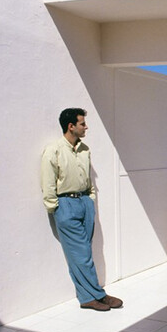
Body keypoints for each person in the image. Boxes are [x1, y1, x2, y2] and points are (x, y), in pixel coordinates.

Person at [40, 108, 123, 311]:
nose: (86, 127)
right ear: (71, 126)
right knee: (82, 253)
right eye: (82, 123)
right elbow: (48, 181)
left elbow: (88, 180)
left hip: (85, 203)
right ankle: (96, 295)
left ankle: (90, 295)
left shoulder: (85, 149)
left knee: (83, 252)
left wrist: (90, 200)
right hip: (65, 204)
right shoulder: (54, 150)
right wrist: (55, 207)